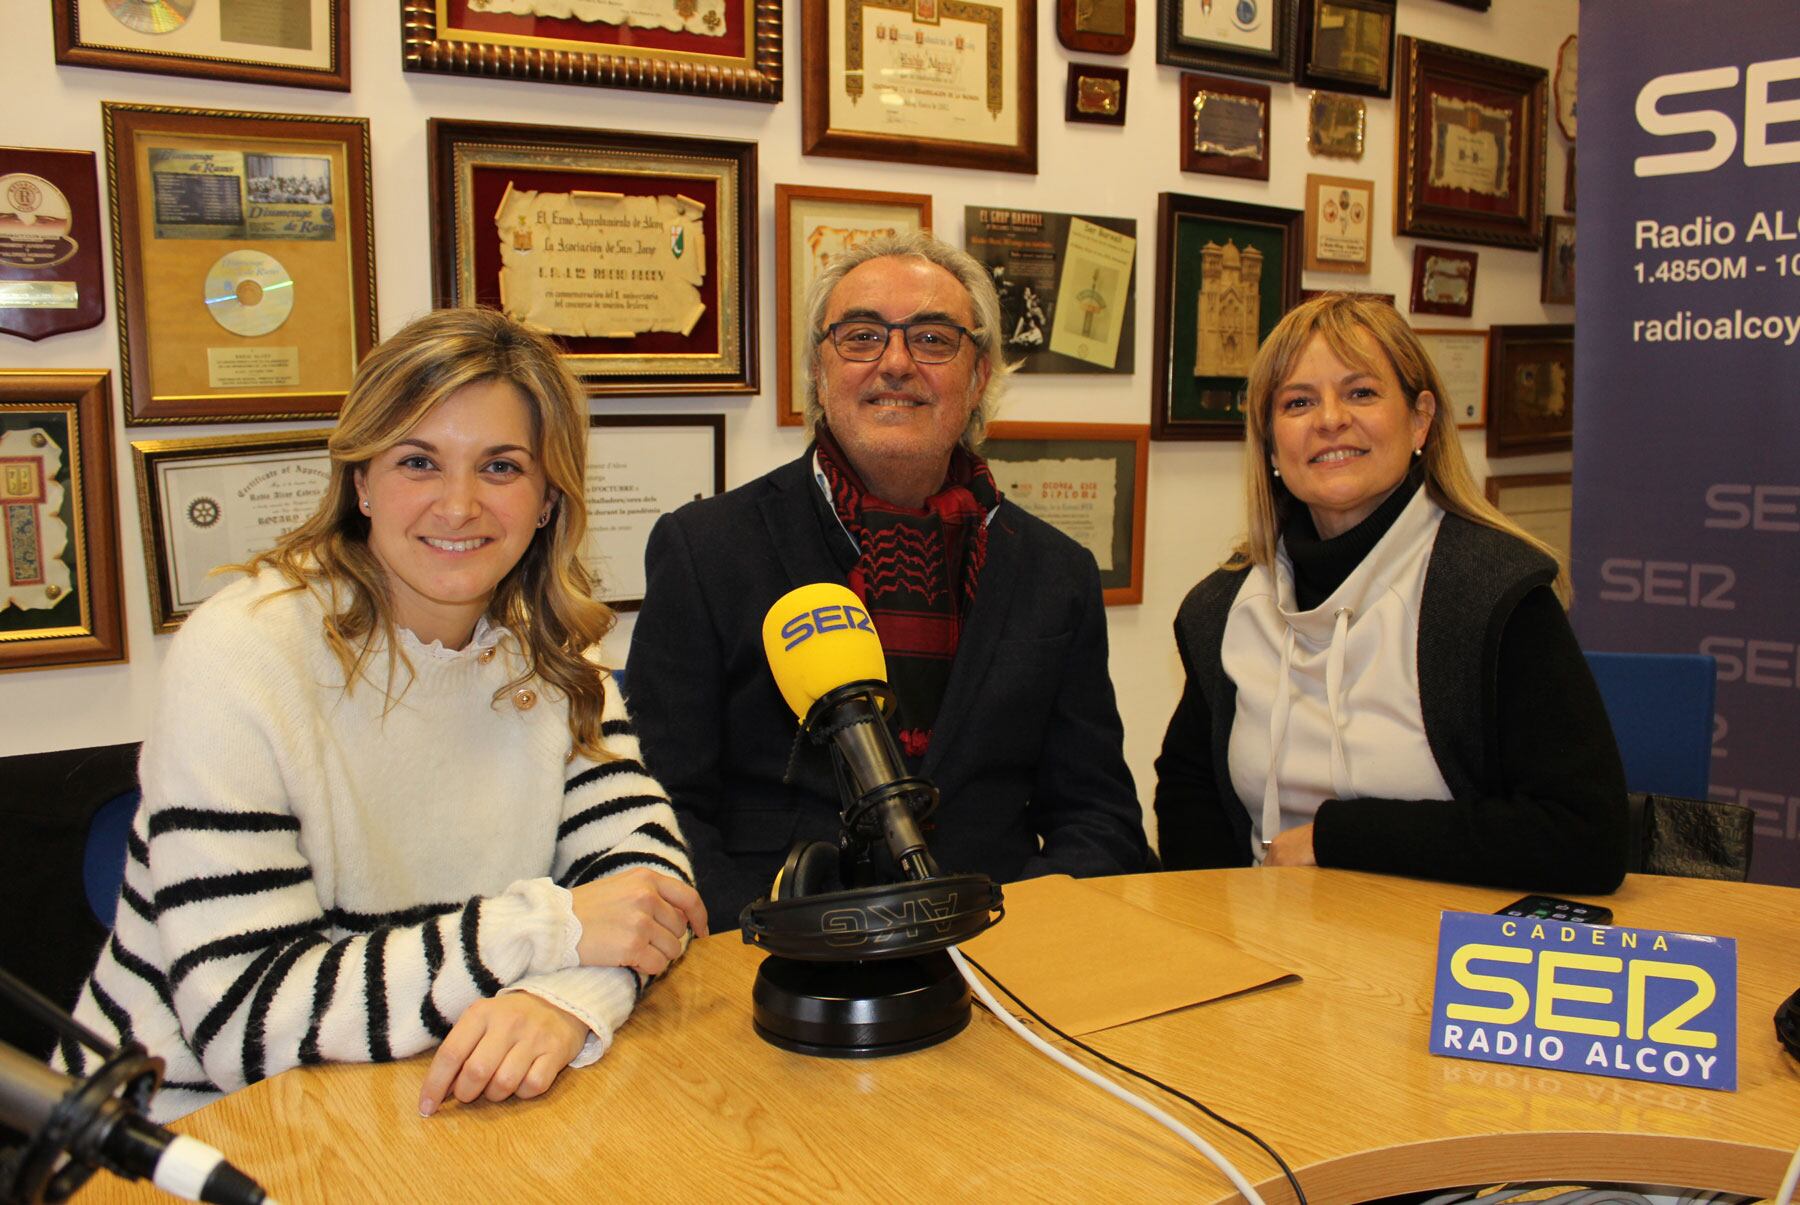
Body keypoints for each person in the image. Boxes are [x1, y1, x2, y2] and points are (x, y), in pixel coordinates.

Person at [55, 308, 706, 1122]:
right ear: (361, 481)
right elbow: (246, 1023)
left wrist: (570, 999)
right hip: (175, 1132)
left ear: (548, 498)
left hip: (428, 1102)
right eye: (418, 461)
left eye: (501, 466)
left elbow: (650, 892)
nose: (459, 504)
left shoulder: (553, 653)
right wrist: (546, 931)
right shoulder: (243, 652)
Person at [628, 233, 1150, 925]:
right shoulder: (706, 551)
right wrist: (768, 944)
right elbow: (663, 807)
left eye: (933, 338)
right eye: (863, 335)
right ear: (818, 368)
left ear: (979, 374)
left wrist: (1018, 932)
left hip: (996, 958)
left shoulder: (1057, 572)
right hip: (774, 967)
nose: (896, 363)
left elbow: (1098, 814)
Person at [1153, 294, 1627, 891]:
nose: (1329, 420)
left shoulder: (1494, 595)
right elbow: (1188, 786)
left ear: (1421, 419)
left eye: (1361, 393)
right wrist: (1221, 930)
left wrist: (1336, 839)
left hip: (1445, 958)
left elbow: (1585, 836)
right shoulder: (1219, 610)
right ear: (1272, 445)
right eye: (1298, 402)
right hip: (1270, 946)